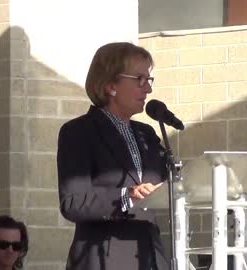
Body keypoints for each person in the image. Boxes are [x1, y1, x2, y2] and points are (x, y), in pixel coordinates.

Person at [57, 42, 169, 270]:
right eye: (140, 79)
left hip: (150, 257)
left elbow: (171, 185)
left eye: (149, 80)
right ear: (111, 85)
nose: (148, 89)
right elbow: (72, 202)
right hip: (104, 259)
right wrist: (127, 196)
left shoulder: (147, 134)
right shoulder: (79, 132)